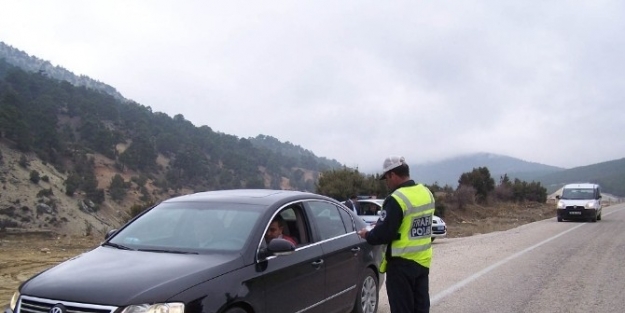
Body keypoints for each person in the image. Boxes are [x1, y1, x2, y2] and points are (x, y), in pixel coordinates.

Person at [357, 156, 435, 313]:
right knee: (421, 308)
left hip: (401, 265)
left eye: (386, 178)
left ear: (392, 175)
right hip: (422, 262)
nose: (387, 183)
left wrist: (367, 234)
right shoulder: (426, 193)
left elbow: (384, 234)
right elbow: (409, 223)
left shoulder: (397, 199)